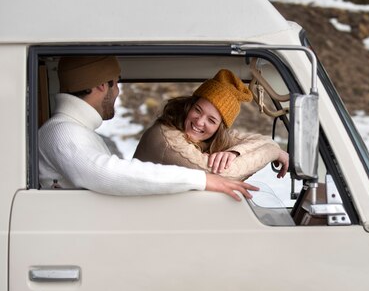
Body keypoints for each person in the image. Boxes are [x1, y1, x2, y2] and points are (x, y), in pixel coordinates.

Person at [38, 56, 257, 201]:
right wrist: (201, 179)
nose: (118, 93)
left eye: (212, 120)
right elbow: (110, 174)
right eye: (117, 83)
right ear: (102, 85)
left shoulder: (77, 132)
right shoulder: (63, 132)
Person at [133, 69, 289, 181]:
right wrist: (272, 152)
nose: (200, 122)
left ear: (220, 128)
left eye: (211, 120)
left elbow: (265, 140)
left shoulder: (213, 137)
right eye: (197, 110)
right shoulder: (167, 139)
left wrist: (235, 152)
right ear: (189, 106)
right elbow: (224, 176)